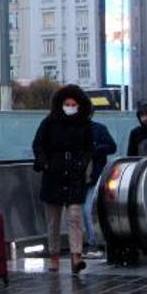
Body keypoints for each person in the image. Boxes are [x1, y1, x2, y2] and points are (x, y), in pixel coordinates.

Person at [32, 85, 93, 274]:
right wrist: (45, 163)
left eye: (74, 104)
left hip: (75, 175)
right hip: (53, 175)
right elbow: (38, 145)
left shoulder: (84, 125)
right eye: (67, 104)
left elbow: (89, 148)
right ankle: (54, 257)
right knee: (53, 220)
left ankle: (76, 256)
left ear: (80, 105)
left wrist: (82, 164)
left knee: (75, 216)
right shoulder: (49, 123)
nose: (70, 107)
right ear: (60, 104)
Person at [84, 118, 117, 257]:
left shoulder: (98, 129)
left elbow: (111, 147)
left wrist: (94, 149)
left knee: (88, 209)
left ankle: (95, 243)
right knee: (81, 211)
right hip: (79, 178)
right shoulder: (71, 129)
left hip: (94, 176)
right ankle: (92, 241)